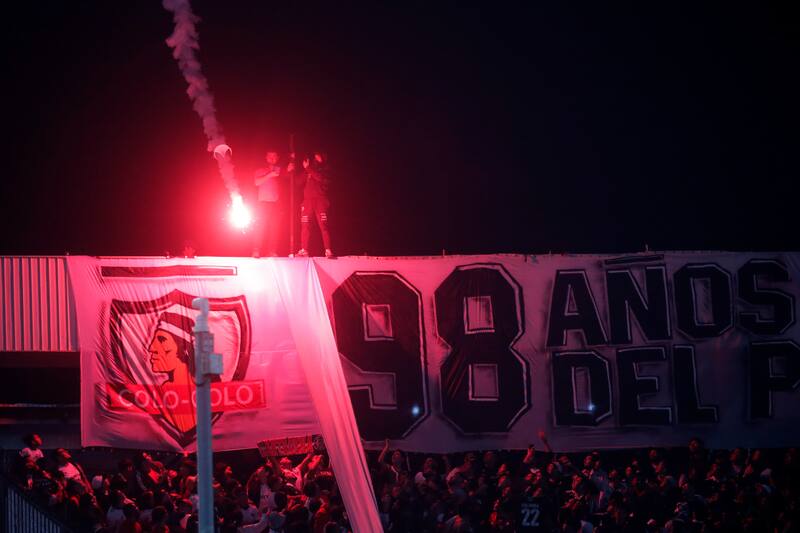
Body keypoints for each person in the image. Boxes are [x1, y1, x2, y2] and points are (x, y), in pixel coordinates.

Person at [253, 150, 293, 257]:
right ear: (266, 157)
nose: (272, 158)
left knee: (275, 228)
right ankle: (256, 250)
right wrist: (269, 175)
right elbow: (256, 182)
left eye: (274, 156)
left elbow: (288, 175)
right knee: (260, 226)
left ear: (277, 158)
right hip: (263, 203)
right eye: (270, 156)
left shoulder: (280, 170)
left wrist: (290, 166)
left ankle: (272, 251)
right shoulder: (260, 170)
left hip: (276, 203)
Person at [296, 151, 333, 258]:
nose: (316, 157)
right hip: (307, 201)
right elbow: (298, 182)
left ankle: (328, 250)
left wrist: (308, 169)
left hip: (320, 201)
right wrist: (303, 170)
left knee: (323, 226)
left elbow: (320, 178)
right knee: (305, 225)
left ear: (323, 158)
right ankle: (304, 250)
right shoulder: (309, 169)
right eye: (315, 156)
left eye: (319, 155)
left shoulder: (326, 169)